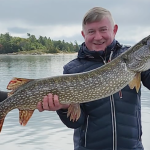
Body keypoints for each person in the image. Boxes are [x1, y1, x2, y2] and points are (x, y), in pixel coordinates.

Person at [37, 6, 150, 150]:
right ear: (83, 34)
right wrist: (64, 108)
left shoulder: (134, 61)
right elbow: (76, 122)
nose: (98, 37)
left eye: (103, 29)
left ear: (114, 30)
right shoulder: (72, 69)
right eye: (91, 31)